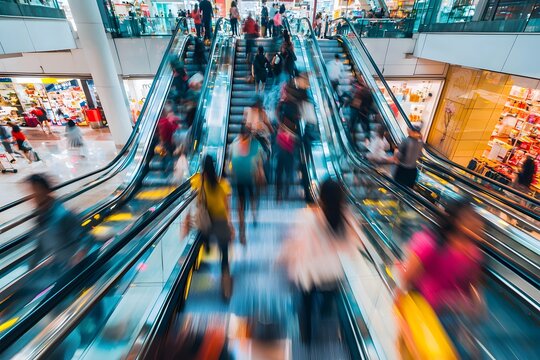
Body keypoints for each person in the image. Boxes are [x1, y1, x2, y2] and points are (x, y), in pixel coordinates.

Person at [279, 179, 361, 344]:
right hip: (333, 274)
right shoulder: (347, 219)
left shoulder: (309, 216)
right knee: (328, 294)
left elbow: (296, 242)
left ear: (321, 197)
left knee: (306, 303)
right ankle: (325, 310)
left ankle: (307, 336)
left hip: (311, 274)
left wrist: (284, 258)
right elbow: (355, 245)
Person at [400, 198, 484, 357]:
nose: (478, 222)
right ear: (457, 220)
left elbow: (473, 285)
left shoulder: (474, 253)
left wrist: (474, 304)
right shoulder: (429, 244)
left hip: (455, 319)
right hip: (426, 315)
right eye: (472, 217)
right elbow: (406, 279)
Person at [190, 155, 234, 299]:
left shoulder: (199, 181)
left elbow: (192, 187)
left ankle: (205, 246)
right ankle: (226, 289)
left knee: (202, 236)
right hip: (221, 221)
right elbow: (227, 207)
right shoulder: (222, 184)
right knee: (225, 254)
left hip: (207, 221)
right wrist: (230, 224)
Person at [27, 174, 87, 268]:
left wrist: (75, 262)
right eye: (29, 192)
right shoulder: (40, 217)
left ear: (46, 191)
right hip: (58, 265)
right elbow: (41, 246)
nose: (31, 196)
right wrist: (31, 268)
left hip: (71, 269)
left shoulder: (63, 215)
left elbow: (85, 240)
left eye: (34, 191)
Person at [230, 125, 263, 245]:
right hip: (240, 180)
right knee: (241, 205)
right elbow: (231, 163)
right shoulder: (235, 144)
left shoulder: (255, 145)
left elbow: (259, 163)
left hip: (250, 178)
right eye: (242, 136)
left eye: (245, 136)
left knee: (251, 199)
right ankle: (242, 231)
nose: (243, 138)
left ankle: (253, 213)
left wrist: (260, 173)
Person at [275, 79, 301, 201]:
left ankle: (284, 191)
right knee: (282, 167)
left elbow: (295, 120)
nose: (283, 93)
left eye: (284, 91)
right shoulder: (284, 104)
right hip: (284, 139)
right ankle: (280, 192)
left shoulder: (292, 105)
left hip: (289, 139)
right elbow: (277, 118)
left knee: (286, 167)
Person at [157, 104, 179, 170]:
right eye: (170, 112)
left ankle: (166, 167)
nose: (172, 114)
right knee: (169, 156)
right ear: (166, 113)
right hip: (169, 143)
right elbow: (175, 130)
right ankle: (170, 168)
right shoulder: (166, 122)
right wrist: (174, 123)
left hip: (164, 143)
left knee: (165, 156)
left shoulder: (161, 121)